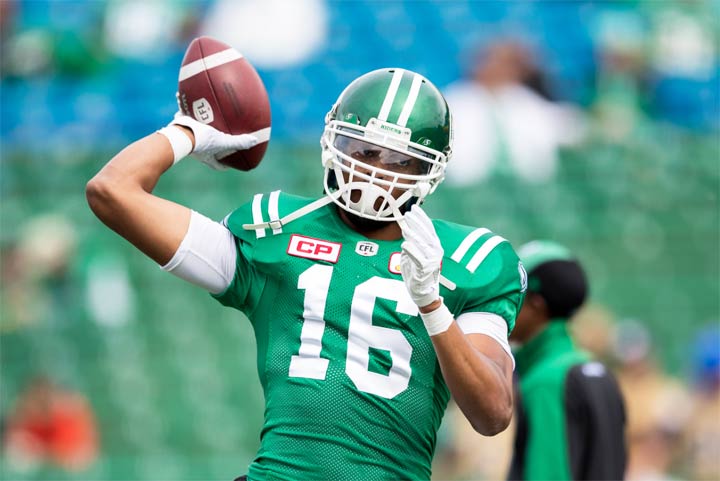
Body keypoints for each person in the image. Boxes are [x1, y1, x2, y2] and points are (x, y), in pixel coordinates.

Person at [86, 67, 526, 480]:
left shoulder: (471, 259)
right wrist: (188, 132)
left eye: (399, 161)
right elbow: (112, 191)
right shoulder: (274, 227)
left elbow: (492, 412)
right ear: (333, 140)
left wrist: (432, 304)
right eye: (363, 149)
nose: (374, 170)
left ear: (429, 171)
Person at [507, 240, 627, 481]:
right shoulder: (597, 370)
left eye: (512, 295)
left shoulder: (546, 381)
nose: (504, 305)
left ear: (535, 303)